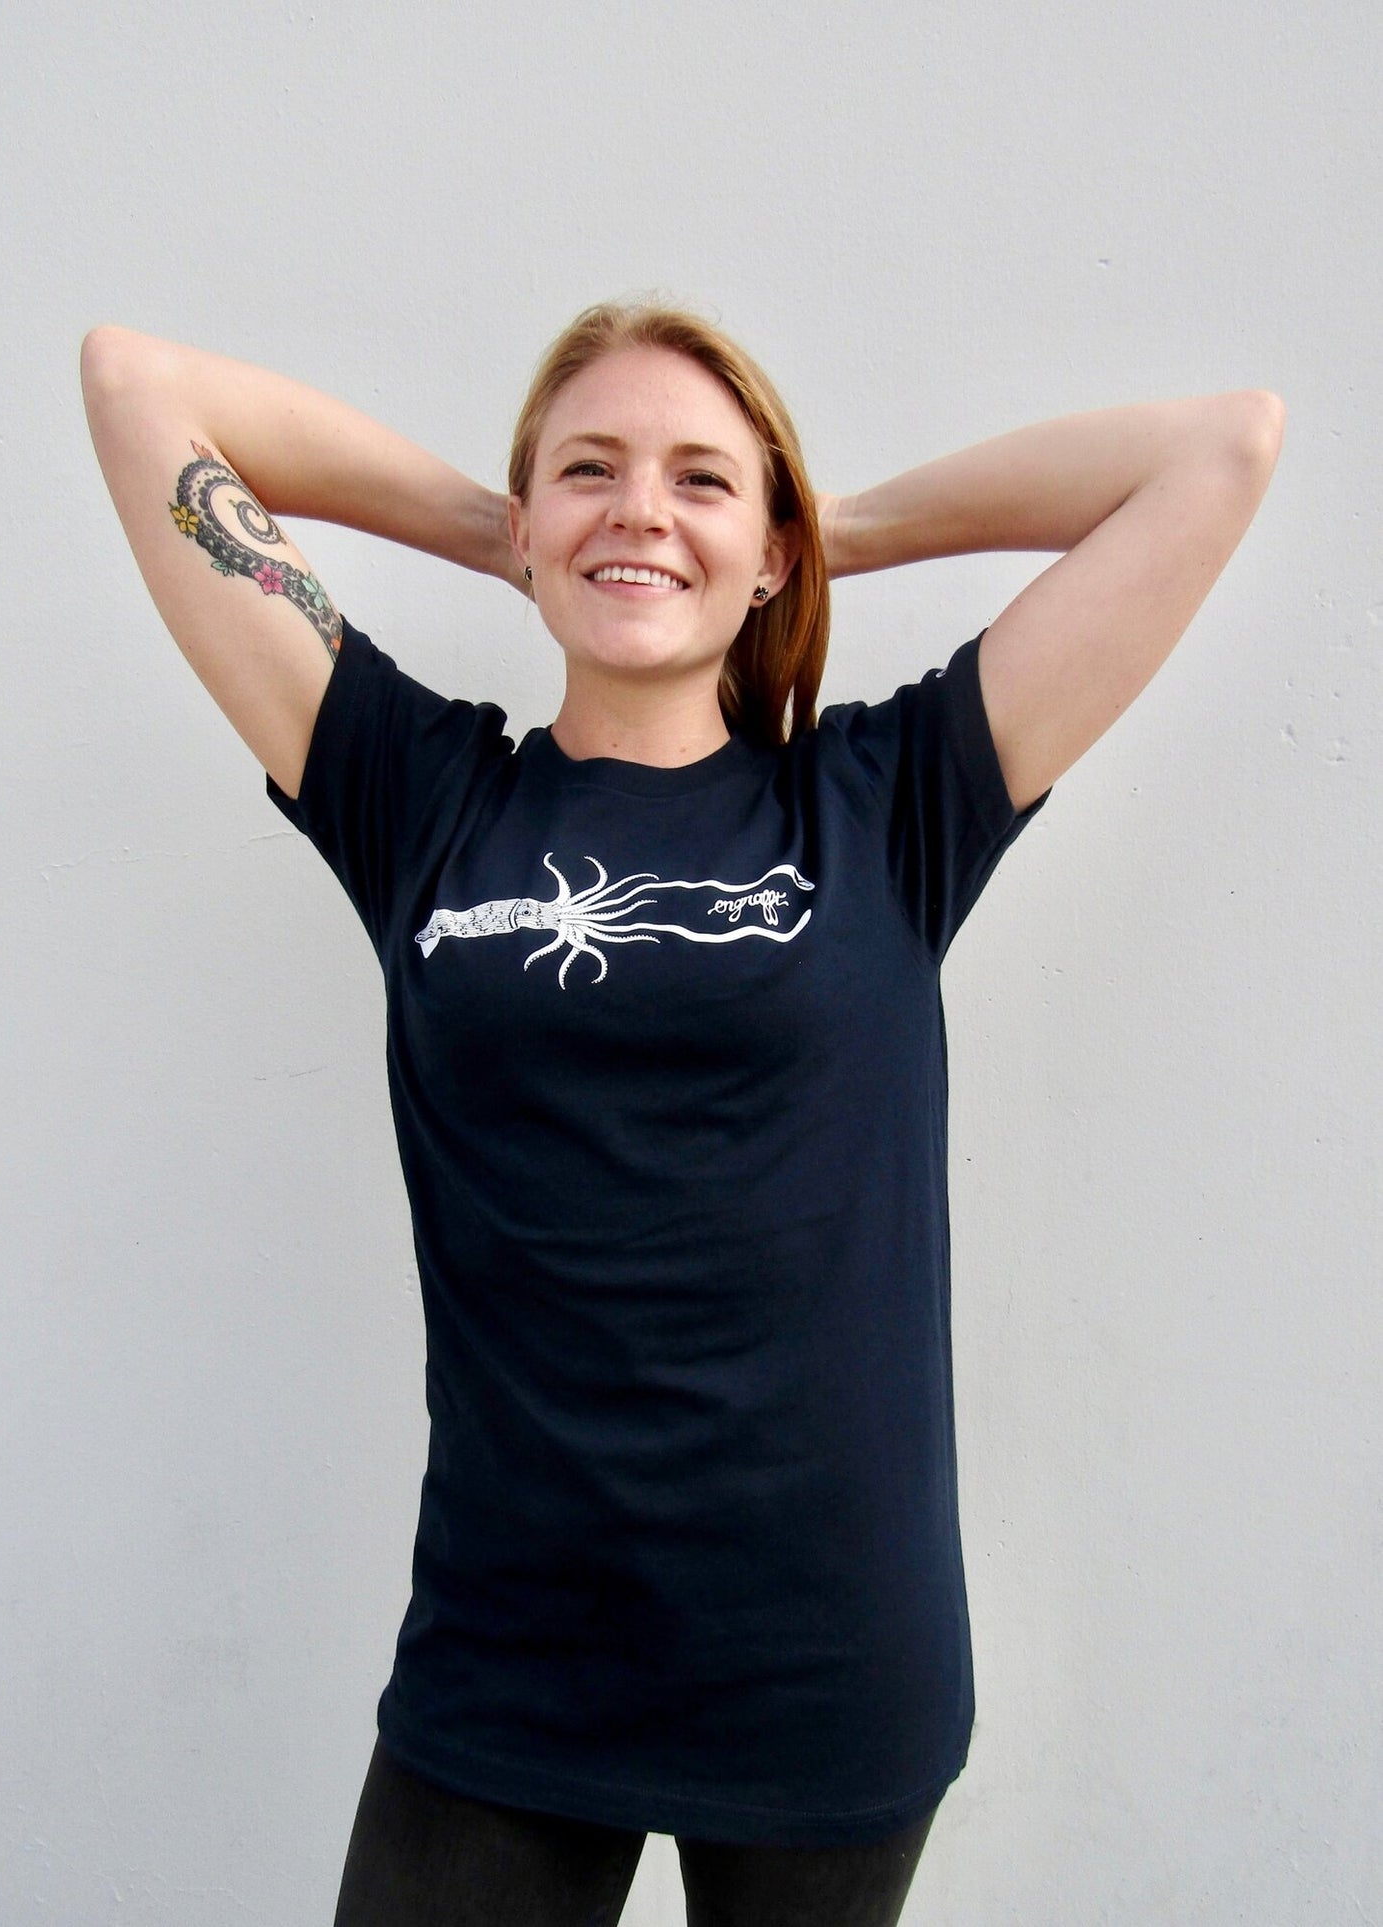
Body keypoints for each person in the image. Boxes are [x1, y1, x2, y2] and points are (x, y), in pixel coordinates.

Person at [81, 302, 1283, 1926]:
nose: (640, 508)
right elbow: (136, 385)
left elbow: (1218, 449)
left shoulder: (889, 803)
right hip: (513, 1656)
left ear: (770, 547)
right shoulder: (411, 792)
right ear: (528, 515)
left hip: (824, 1661)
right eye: (591, 468)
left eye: (699, 479)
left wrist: (821, 528)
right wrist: (511, 530)